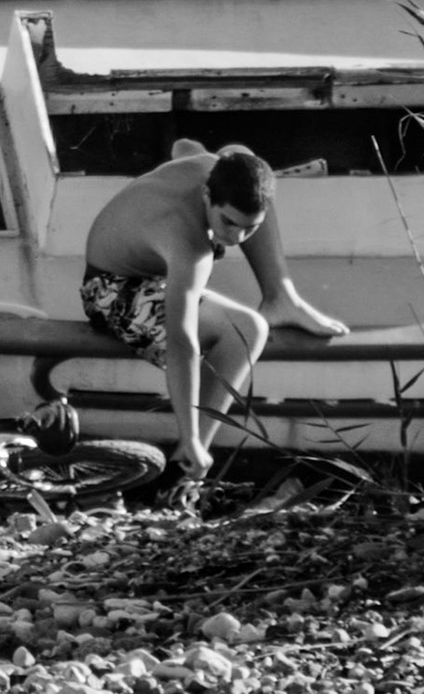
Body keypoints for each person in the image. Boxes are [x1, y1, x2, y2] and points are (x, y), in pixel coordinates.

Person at [81, 142, 348, 483]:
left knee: (244, 156)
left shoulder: (211, 165)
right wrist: (190, 432)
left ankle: (281, 297)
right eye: (228, 222)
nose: (236, 237)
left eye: (250, 228)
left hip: (153, 261)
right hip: (111, 289)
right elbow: (183, 341)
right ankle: (187, 467)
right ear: (207, 194)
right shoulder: (189, 246)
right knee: (246, 330)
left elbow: (182, 147)